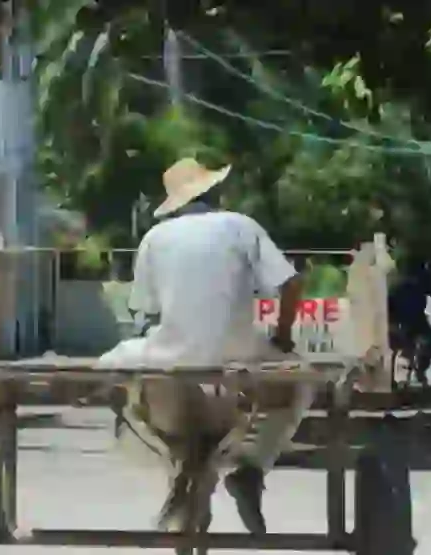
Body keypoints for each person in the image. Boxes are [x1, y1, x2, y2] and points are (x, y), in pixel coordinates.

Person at [97, 158, 310, 535]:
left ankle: (165, 456)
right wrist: (282, 335)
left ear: (175, 203)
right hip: (237, 354)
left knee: (120, 378)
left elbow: (145, 312)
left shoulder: (154, 239)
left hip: (171, 354)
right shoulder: (241, 226)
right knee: (301, 381)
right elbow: (291, 285)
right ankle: (252, 466)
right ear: (214, 193)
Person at [387, 256, 431, 385]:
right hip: (409, 321)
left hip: (407, 320)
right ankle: (418, 369)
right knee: (430, 344)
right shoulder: (417, 283)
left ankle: (415, 369)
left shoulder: (400, 283)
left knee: (420, 345)